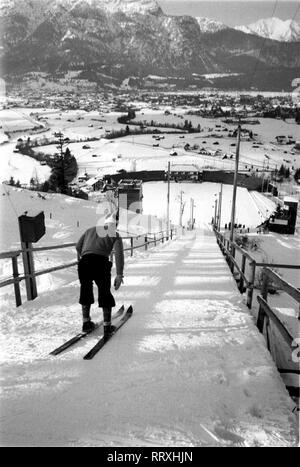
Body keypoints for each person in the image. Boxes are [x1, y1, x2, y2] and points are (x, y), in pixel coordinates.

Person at [76, 222, 124, 336]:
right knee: (104, 292)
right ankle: (107, 326)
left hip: (84, 263)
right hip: (101, 264)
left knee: (85, 290)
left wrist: (84, 257)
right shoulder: (114, 234)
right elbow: (119, 254)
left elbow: (78, 247)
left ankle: (86, 323)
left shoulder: (90, 230)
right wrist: (119, 274)